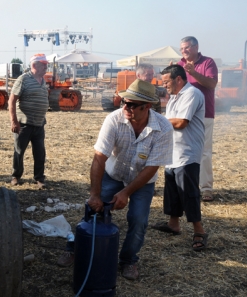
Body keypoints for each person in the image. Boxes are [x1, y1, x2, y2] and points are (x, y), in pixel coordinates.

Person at [57, 80, 173, 280]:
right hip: (114, 174)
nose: (125, 107)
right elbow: (99, 158)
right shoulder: (113, 120)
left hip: (142, 181)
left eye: (131, 104)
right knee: (94, 210)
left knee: (138, 220)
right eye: (124, 102)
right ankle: (75, 248)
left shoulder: (164, 128)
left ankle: (129, 260)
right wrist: (94, 194)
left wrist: (126, 193)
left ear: (147, 107)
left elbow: (152, 167)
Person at [152, 65, 208, 250]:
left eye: (166, 81)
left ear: (179, 79)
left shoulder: (192, 93)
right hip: (173, 152)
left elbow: (181, 122)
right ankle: (173, 224)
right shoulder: (174, 97)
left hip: (187, 152)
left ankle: (199, 231)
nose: (164, 85)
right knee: (172, 191)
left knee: (188, 193)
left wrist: (154, 121)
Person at [176, 36, 218, 202]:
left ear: (196, 47)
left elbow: (212, 84)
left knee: (204, 151)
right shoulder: (179, 65)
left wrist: (193, 72)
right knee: (182, 149)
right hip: (183, 114)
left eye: (186, 47)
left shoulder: (208, 62)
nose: (184, 51)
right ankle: (185, 185)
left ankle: (206, 188)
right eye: (182, 49)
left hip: (204, 114)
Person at [9, 53, 50, 189]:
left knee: (39, 153)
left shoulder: (43, 81)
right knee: (19, 151)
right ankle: (16, 176)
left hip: (39, 124)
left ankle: (39, 178)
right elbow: (12, 100)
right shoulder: (23, 79)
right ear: (34, 65)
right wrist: (14, 121)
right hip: (24, 124)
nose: (46, 66)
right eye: (43, 64)